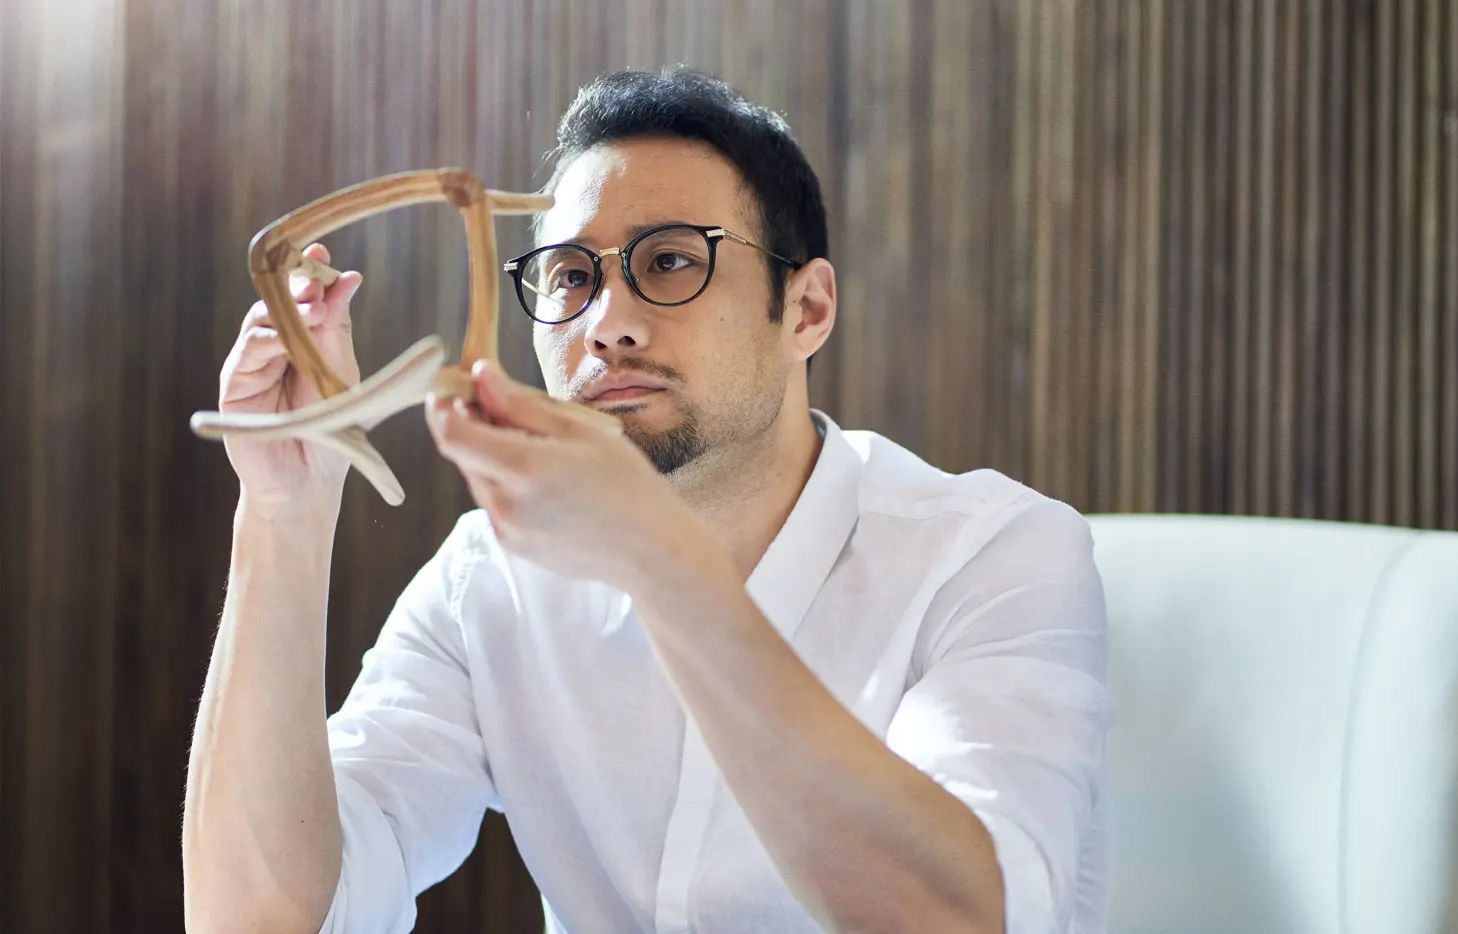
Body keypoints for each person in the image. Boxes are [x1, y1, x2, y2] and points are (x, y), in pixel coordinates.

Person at [181, 67, 1112, 934]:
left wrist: (660, 563)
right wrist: (284, 511)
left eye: (670, 262)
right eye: (572, 277)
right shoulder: (489, 581)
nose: (608, 325)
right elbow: (259, 919)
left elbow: (970, 918)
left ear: (807, 310)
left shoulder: (993, 555)